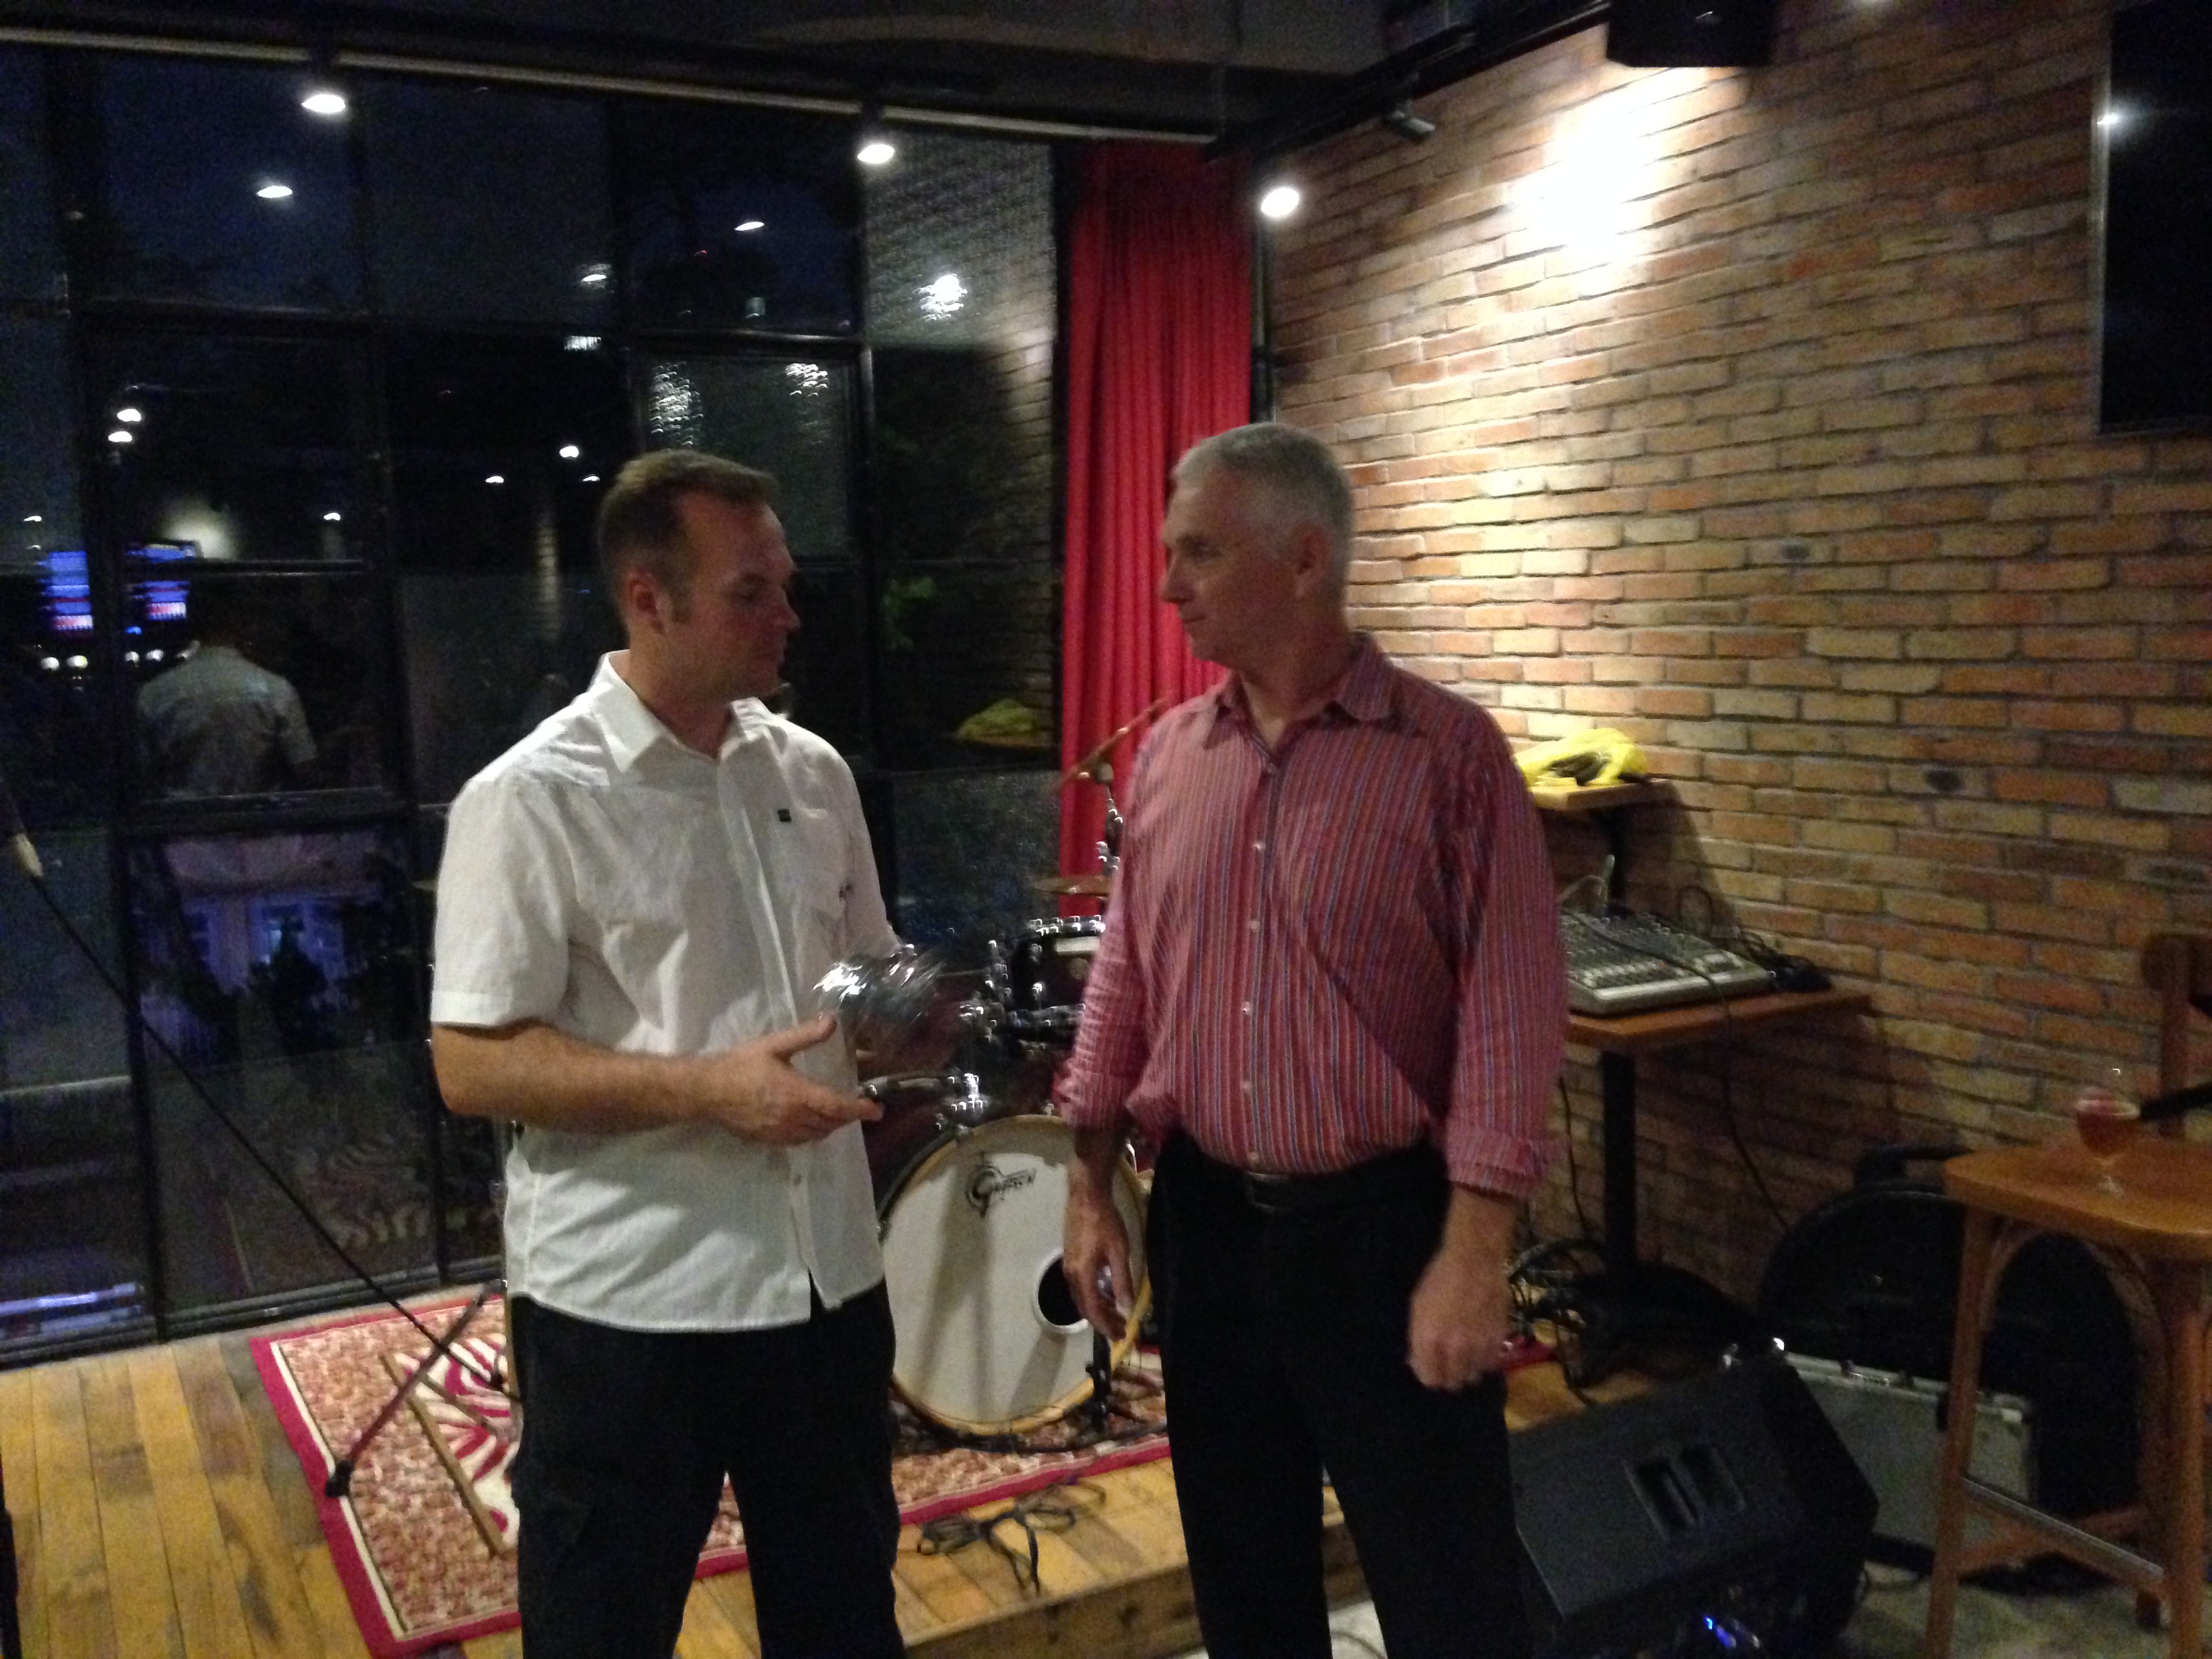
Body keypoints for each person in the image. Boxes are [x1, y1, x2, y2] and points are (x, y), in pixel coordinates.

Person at [1057, 422, 1565, 1659]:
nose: (1167, 585)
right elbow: (1124, 976)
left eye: (1198, 552)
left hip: (1382, 1233)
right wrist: (1086, 1180)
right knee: (1246, 1586)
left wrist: (1474, 1252)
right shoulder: (1169, 757)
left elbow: (1511, 1014)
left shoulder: (1448, 756)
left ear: (1302, 558)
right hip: (1208, 1226)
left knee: (1448, 1589)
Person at [429, 449, 906, 1659]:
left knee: (846, 1623)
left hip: (827, 1283)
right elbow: (472, 1064)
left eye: (784, 583)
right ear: (649, 598)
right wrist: (709, 1091)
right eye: (752, 591)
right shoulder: (530, 798)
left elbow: (860, 970)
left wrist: (917, 1007)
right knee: (602, 1632)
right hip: (632, 1306)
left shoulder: (811, 771)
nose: (788, 613)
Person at [137, 582, 316, 797]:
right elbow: (304, 767)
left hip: (181, 815)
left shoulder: (154, 693)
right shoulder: (276, 689)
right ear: (240, 620)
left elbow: (142, 773)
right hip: (257, 814)